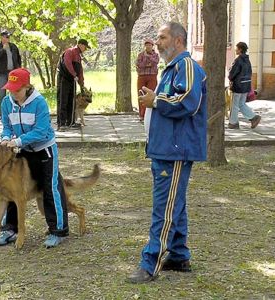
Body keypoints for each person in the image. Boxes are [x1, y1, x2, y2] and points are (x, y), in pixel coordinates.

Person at [127, 22, 207, 283]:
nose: (157, 42)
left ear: (178, 41)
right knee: (176, 203)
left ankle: (150, 263)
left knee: (164, 208)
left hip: (175, 150)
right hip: (165, 148)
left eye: (162, 38)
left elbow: (189, 102)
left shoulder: (186, 66)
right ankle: (178, 255)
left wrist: (156, 100)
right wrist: (155, 97)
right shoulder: (173, 68)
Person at [0, 68, 69, 248]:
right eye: (10, 89)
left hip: (44, 150)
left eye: (17, 90)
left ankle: (58, 230)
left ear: (27, 87)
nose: (13, 93)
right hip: (22, 150)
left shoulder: (40, 103)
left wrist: (18, 141)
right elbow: (6, 126)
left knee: (51, 188)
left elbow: (41, 131)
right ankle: (9, 228)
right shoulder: (6, 102)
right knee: (14, 187)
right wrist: (5, 137)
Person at [56, 38, 90, 131]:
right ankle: (61, 123)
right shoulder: (70, 51)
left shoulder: (79, 56)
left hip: (72, 80)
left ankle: (70, 122)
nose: (85, 49)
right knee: (63, 100)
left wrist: (81, 83)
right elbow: (67, 64)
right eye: (85, 47)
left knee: (71, 100)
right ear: (80, 45)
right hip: (64, 79)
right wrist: (74, 74)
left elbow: (80, 70)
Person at [227, 42, 261, 129]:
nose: (235, 50)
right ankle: (253, 117)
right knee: (241, 104)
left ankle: (233, 123)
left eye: (237, 48)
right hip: (246, 85)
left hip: (238, 86)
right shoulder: (247, 60)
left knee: (234, 105)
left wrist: (230, 78)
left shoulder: (238, 60)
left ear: (240, 49)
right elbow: (250, 73)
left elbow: (232, 74)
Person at [0, 30, 22, 118]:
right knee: (2, 94)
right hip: (2, 73)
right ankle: (2, 114)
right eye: (6, 37)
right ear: (2, 37)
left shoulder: (13, 47)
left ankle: (14, 113)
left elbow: (18, 58)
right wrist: (3, 50)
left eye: (9, 37)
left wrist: (19, 68)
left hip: (13, 73)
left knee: (14, 93)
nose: (8, 39)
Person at [135, 39, 159, 122]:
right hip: (142, 76)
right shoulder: (140, 55)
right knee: (141, 94)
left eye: (150, 45)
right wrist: (146, 62)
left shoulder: (155, 55)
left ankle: (148, 114)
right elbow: (139, 64)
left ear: (152, 46)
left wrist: (148, 59)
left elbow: (155, 62)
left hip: (152, 76)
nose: (148, 46)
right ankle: (141, 115)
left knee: (150, 94)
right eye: (146, 45)